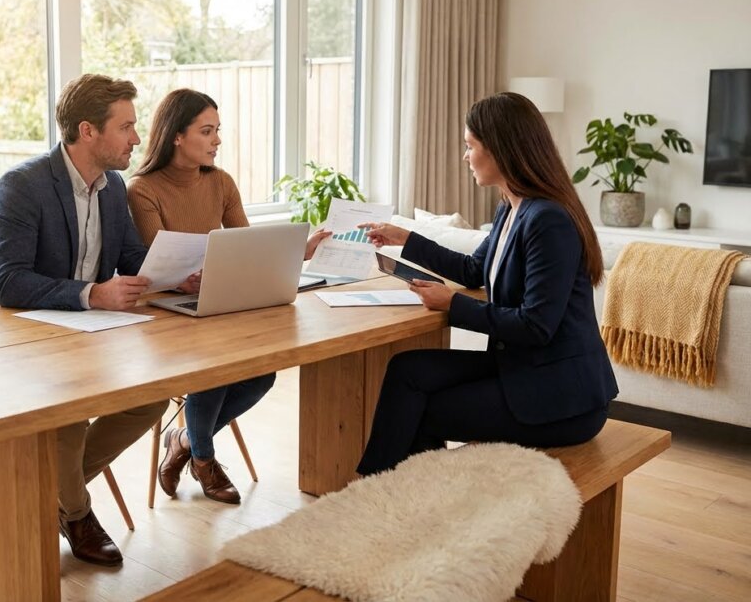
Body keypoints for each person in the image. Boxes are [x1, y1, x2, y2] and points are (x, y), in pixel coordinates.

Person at [355, 92, 618, 476]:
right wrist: (405, 238)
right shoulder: (512, 206)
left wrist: (452, 305)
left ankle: (390, 499)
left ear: (499, 149)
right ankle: (380, 487)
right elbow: (473, 269)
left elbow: (536, 326)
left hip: (562, 396)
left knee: (422, 411)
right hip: (521, 367)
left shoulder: (548, 220)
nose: (465, 156)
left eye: (470, 146)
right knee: (407, 370)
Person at [0, 74, 169, 568]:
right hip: (9, 334)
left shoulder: (111, 185)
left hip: (81, 335)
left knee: (152, 396)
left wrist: (177, 275)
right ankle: (77, 513)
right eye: (126, 127)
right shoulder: (21, 186)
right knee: (65, 413)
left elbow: (129, 256)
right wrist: (92, 293)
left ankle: (52, 495)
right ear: (88, 131)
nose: (137, 139)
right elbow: (8, 283)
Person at [127, 88, 329, 504]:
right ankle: (204, 460)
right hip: (167, 313)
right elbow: (156, 265)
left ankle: (183, 439)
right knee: (212, 366)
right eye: (207, 131)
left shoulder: (220, 182)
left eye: (218, 130)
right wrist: (188, 278)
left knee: (264, 373)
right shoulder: (142, 190)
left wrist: (298, 251)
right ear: (176, 136)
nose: (217, 140)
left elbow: (245, 244)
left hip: (213, 304)